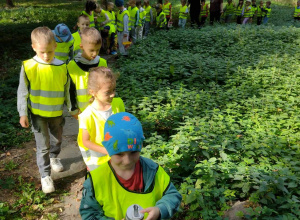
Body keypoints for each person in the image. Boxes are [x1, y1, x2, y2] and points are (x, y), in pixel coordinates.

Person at [79, 112, 182, 219]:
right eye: (119, 154)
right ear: (108, 149)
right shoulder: (96, 181)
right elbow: (89, 214)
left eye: (133, 152)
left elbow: (173, 195)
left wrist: (160, 210)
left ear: (141, 146)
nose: (127, 161)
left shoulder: (153, 170)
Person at [17, 27, 75, 194]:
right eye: (42, 52)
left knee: (56, 140)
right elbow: (23, 91)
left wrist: (72, 109)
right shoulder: (28, 66)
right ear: (33, 47)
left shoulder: (62, 67)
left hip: (57, 113)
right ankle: (45, 175)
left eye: (49, 51)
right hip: (37, 114)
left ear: (55, 46)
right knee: (43, 146)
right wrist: (23, 113)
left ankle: (54, 157)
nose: (46, 56)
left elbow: (67, 90)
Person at [77, 67, 125, 171]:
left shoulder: (118, 104)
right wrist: (107, 150)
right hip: (98, 163)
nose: (113, 94)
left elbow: (124, 124)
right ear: (92, 92)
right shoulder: (87, 115)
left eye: (114, 90)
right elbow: (85, 141)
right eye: (108, 92)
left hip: (117, 157)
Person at [68, 27, 107, 116]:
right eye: (91, 50)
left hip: (101, 109)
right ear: (81, 46)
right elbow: (69, 90)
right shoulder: (72, 66)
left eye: (98, 50)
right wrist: (73, 109)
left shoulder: (102, 63)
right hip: (82, 111)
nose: (95, 53)